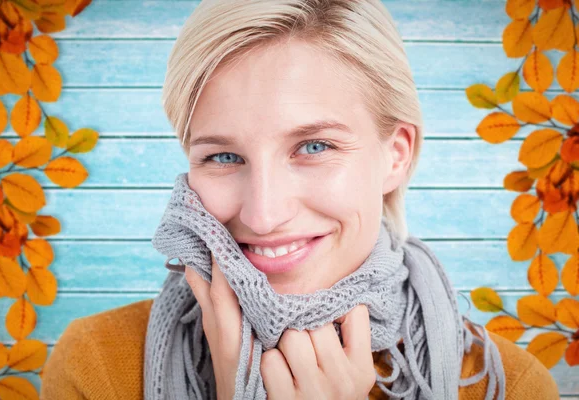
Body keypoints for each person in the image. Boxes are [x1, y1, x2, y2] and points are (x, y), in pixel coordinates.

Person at [40, 0, 560, 399]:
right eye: (223, 157)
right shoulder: (100, 365)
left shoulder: (506, 386)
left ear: (395, 155)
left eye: (314, 146)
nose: (263, 215)